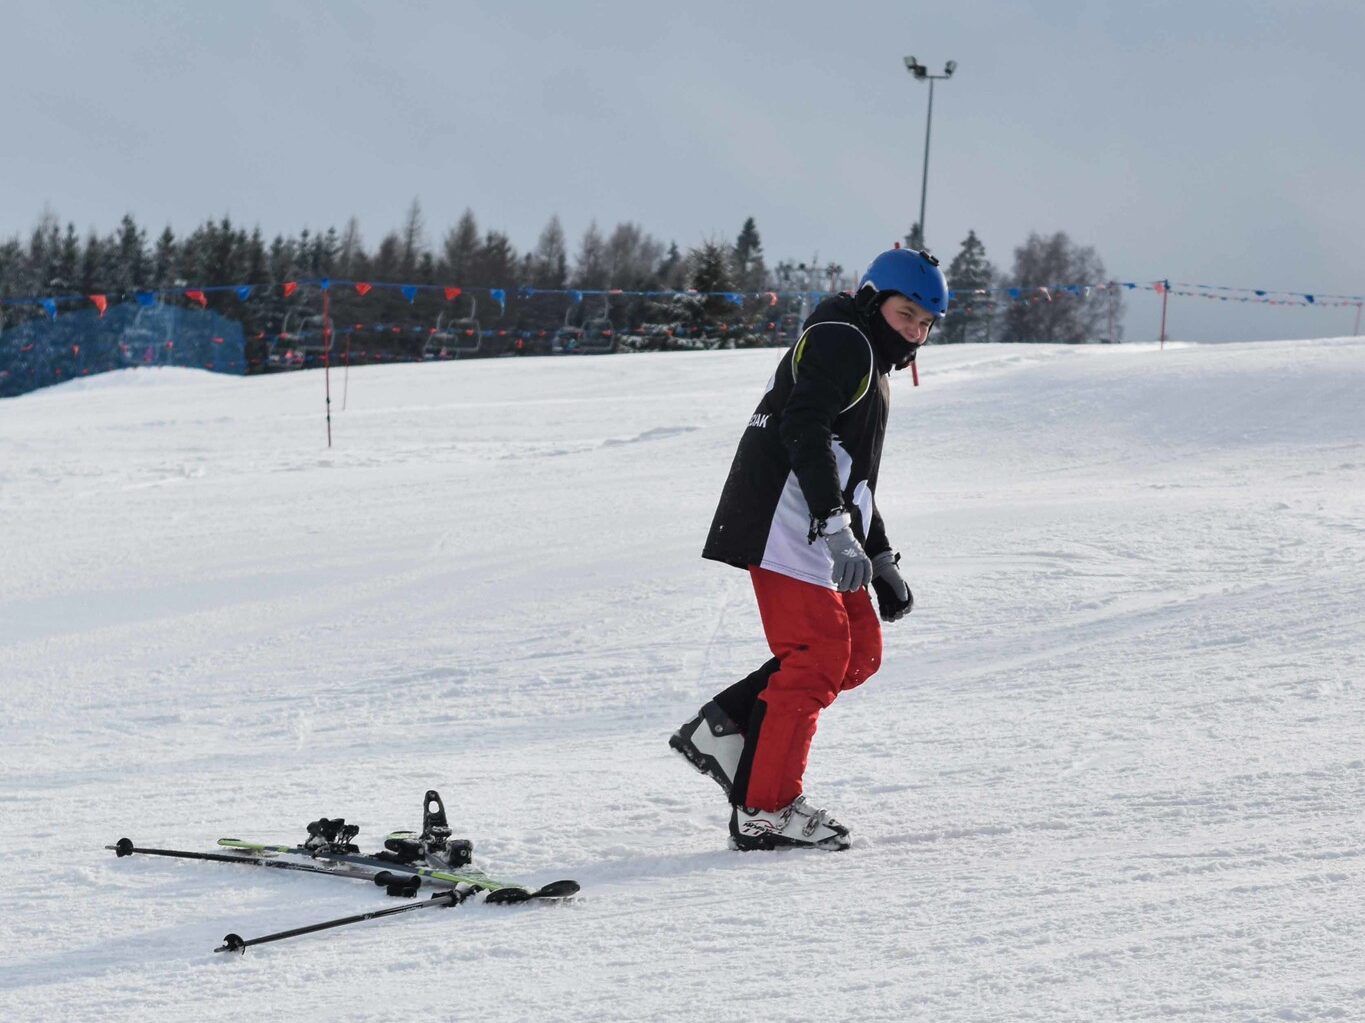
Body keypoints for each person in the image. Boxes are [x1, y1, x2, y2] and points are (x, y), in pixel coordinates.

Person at [670, 246, 948, 851]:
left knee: (858, 653)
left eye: (926, 324)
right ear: (875, 301)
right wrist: (833, 524)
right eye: (907, 316)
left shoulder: (866, 357)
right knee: (818, 655)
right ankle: (765, 810)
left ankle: (727, 728)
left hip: (816, 523)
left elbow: (854, 475)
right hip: (783, 517)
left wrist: (879, 556)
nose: (916, 334)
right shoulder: (842, 341)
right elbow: (804, 429)